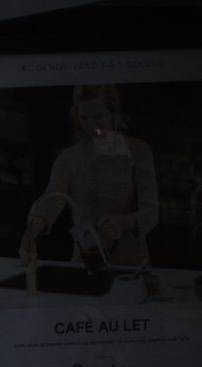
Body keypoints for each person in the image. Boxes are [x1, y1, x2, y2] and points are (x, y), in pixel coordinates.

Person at [20, 83, 159, 280]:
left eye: (98, 117)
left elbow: (151, 213)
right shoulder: (68, 158)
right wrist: (29, 236)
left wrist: (124, 222)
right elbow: (50, 202)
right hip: (84, 267)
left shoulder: (138, 152)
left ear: (114, 114)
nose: (91, 125)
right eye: (84, 118)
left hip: (132, 268)